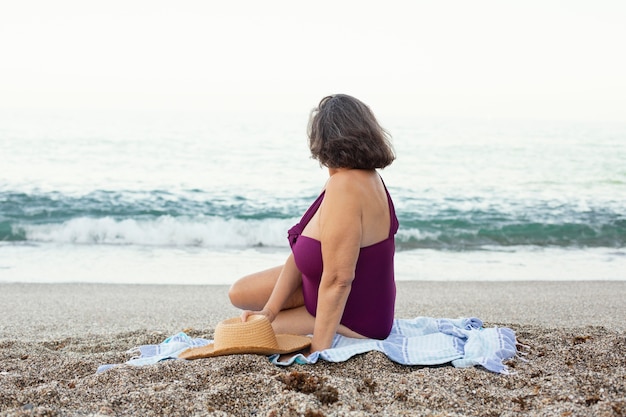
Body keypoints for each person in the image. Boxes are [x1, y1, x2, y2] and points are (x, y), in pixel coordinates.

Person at [228, 94, 399, 354]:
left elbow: (340, 279)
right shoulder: (347, 178)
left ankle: (316, 323)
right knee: (239, 293)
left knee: (241, 335)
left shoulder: (346, 186)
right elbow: (299, 255)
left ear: (323, 140)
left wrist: (318, 350)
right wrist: (270, 310)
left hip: (357, 319)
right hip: (318, 290)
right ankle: (282, 311)